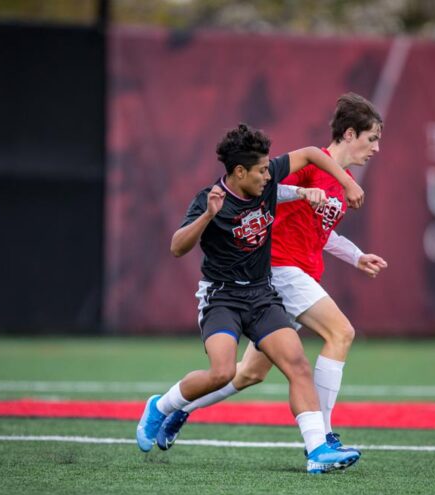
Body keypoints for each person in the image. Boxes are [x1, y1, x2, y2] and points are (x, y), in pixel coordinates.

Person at [154, 93, 386, 455]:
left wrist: (356, 257)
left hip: (301, 274)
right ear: (350, 134)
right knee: (341, 332)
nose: (375, 148)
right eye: (372, 139)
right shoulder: (314, 169)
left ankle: (181, 408)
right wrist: (301, 192)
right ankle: (323, 437)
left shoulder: (342, 182)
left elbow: (321, 233)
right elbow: (261, 193)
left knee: (249, 373)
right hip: (279, 269)